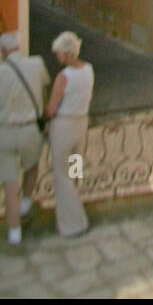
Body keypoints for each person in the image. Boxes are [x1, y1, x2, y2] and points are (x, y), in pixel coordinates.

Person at [0, 32, 50, 247]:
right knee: (32, 164)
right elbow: (44, 91)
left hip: (4, 132)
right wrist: (42, 116)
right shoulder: (37, 64)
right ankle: (26, 201)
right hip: (29, 129)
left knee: (9, 184)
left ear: (4, 50)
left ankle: (14, 233)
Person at [46, 31, 94, 238]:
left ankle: (72, 223)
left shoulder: (64, 76)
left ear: (66, 53)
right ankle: (80, 213)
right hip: (81, 125)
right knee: (76, 171)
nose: (58, 58)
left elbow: (52, 108)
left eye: (59, 53)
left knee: (61, 174)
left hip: (64, 128)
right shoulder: (88, 70)